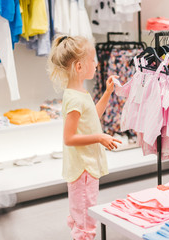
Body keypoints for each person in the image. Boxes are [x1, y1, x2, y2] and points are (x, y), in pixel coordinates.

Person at [48, 35, 122, 240]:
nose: (96, 64)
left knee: (84, 210)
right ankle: (80, 232)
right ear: (79, 67)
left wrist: (107, 93)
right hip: (83, 168)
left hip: (87, 165)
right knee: (86, 216)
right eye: (92, 60)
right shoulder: (73, 99)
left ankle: (78, 226)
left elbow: (93, 116)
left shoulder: (79, 93)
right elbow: (69, 138)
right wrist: (99, 137)